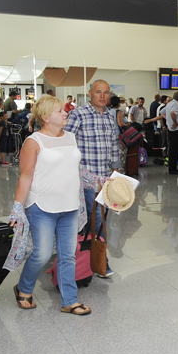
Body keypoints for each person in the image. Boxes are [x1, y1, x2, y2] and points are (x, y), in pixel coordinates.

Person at [9, 95, 109, 316]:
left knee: (68, 255)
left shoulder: (71, 137)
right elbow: (25, 177)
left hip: (70, 206)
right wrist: (17, 206)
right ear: (45, 117)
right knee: (42, 254)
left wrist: (97, 181)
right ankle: (24, 288)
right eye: (59, 111)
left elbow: (77, 169)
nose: (66, 113)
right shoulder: (34, 142)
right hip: (42, 206)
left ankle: (70, 300)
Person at [64, 79, 119, 278]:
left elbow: (114, 143)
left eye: (106, 92)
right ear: (90, 93)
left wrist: (116, 169)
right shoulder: (78, 114)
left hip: (106, 179)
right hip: (86, 179)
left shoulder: (110, 117)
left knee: (103, 219)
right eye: (98, 92)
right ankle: (94, 260)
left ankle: (94, 258)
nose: (103, 96)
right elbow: (66, 144)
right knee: (95, 218)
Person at [163, 91, 178, 175]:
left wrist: (169, 121)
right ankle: (173, 168)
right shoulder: (176, 104)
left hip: (172, 130)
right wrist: (175, 122)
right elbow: (172, 113)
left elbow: (162, 112)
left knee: (173, 149)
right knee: (175, 150)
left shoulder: (169, 104)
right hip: (177, 131)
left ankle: (172, 166)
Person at [108, 96, 129, 174]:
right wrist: (126, 125)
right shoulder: (118, 112)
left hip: (110, 135)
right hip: (118, 136)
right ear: (118, 103)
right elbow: (120, 124)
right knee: (120, 155)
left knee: (111, 154)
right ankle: (119, 173)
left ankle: (111, 172)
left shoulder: (109, 111)